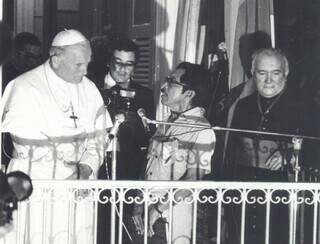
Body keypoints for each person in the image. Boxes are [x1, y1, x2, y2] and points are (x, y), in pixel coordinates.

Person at [1, 29, 108, 243]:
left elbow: (100, 138)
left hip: (79, 183)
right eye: (78, 64)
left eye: (87, 62)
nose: (85, 70)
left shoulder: (89, 89)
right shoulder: (23, 86)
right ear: (56, 59)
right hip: (35, 181)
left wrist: (86, 167)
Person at [132, 62, 216, 243]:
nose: (163, 87)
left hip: (171, 217)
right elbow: (148, 167)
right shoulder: (165, 125)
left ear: (189, 93)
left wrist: (158, 209)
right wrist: (139, 203)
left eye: (171, 82)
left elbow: (193, 179)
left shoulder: (201, 129)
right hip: (147, 211)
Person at [225, 48, 302, 244]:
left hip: (283, 196)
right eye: (262, 73)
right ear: (253, 74)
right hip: (243, 195)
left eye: (275, 73)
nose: (268, 80)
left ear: (285, 73)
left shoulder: (303, 105)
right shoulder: (243, 106)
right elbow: (231, 152)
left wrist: (289, 155)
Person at [98, 37, 155, 180]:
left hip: (129, 169)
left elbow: (148, 137)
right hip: (96, 164)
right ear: (108, 62)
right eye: (118, 62)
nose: (123, 69)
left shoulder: (144, 95)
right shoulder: (92, 88)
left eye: (129, 64)